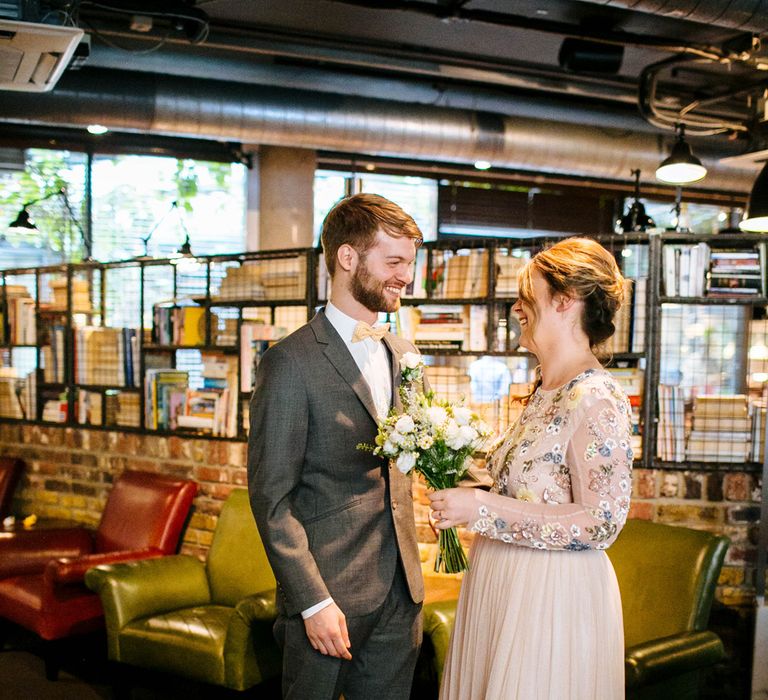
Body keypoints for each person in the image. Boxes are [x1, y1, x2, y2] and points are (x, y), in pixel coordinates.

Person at [429, 237, 633, 700]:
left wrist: (480, 508)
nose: (517, 308)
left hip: (550, 598)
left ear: (565, 301)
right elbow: (531, 492)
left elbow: (600, 523)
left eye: (528, 295)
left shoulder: (596, 398)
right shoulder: (543, 389)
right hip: (499, 582)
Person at [248, 193, 425, 699]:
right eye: (394, 262)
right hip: (328, 598)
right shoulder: (290, 362)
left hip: (401, 591)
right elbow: (271, 499)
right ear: (348, 258)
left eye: (409, 264)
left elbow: (425, 449)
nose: (405, 278)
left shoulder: (403, 350)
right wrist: (311, 601)